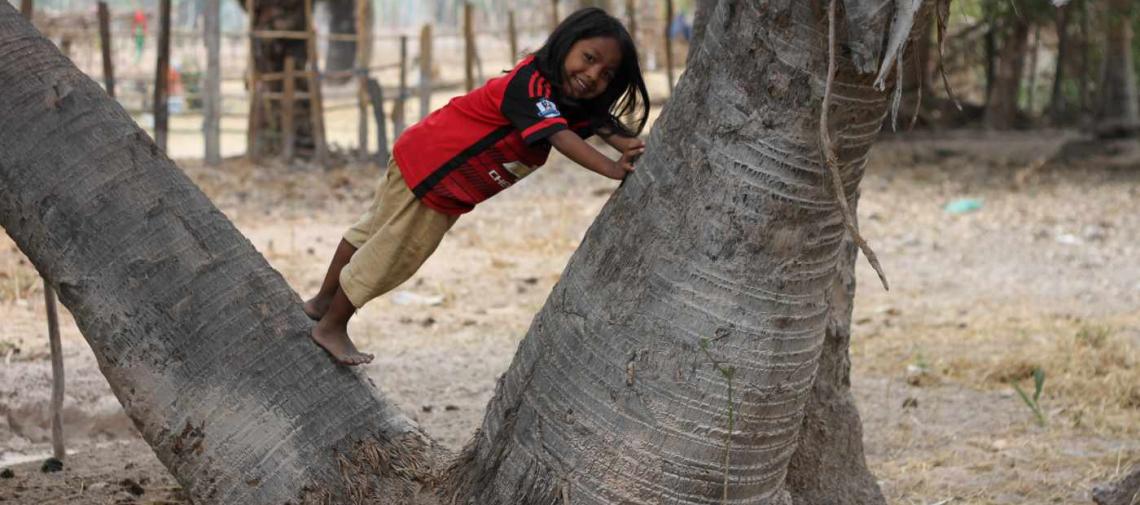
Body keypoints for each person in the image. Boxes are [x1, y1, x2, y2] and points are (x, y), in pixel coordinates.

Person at [303, 7, 650, 366]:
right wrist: (611, 168)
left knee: (371, 232)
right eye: (588, 58)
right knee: (392, 252)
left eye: (606, 74)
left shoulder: (562, 96)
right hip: (437, 176)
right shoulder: (530, 87)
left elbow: (596, 121)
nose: (592, 75)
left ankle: (322, 302)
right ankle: (332, 326)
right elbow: (560, 137)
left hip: (425, 158)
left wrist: (628, 145)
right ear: (565, 44)